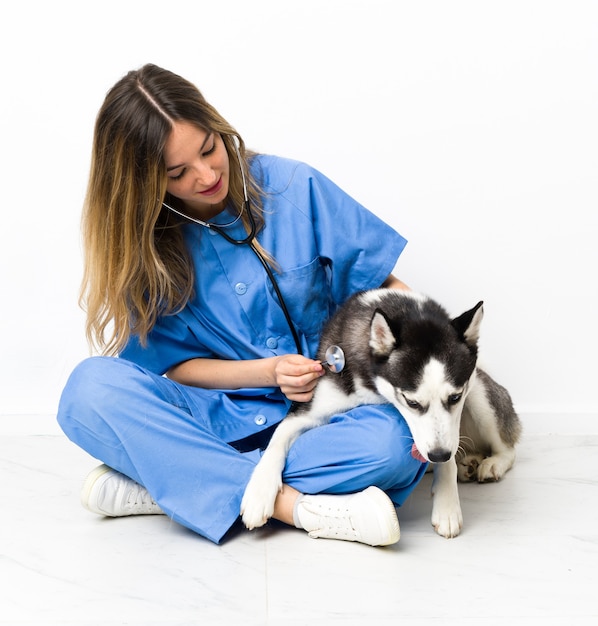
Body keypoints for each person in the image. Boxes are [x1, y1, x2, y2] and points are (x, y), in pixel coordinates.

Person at [57, 63, 428, 547]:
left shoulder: (294, 187)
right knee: (89, 391)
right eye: (177, 173)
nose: (208, 174)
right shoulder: (146, 247)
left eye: (209, 149)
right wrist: (267, 372)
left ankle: (169, 481)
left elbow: (385, 288)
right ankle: (296, 508)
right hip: (218, 417)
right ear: (144, 183)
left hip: (328, 417)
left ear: (218, 127)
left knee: (393, 447)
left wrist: (427, 354)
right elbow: (176, 366)